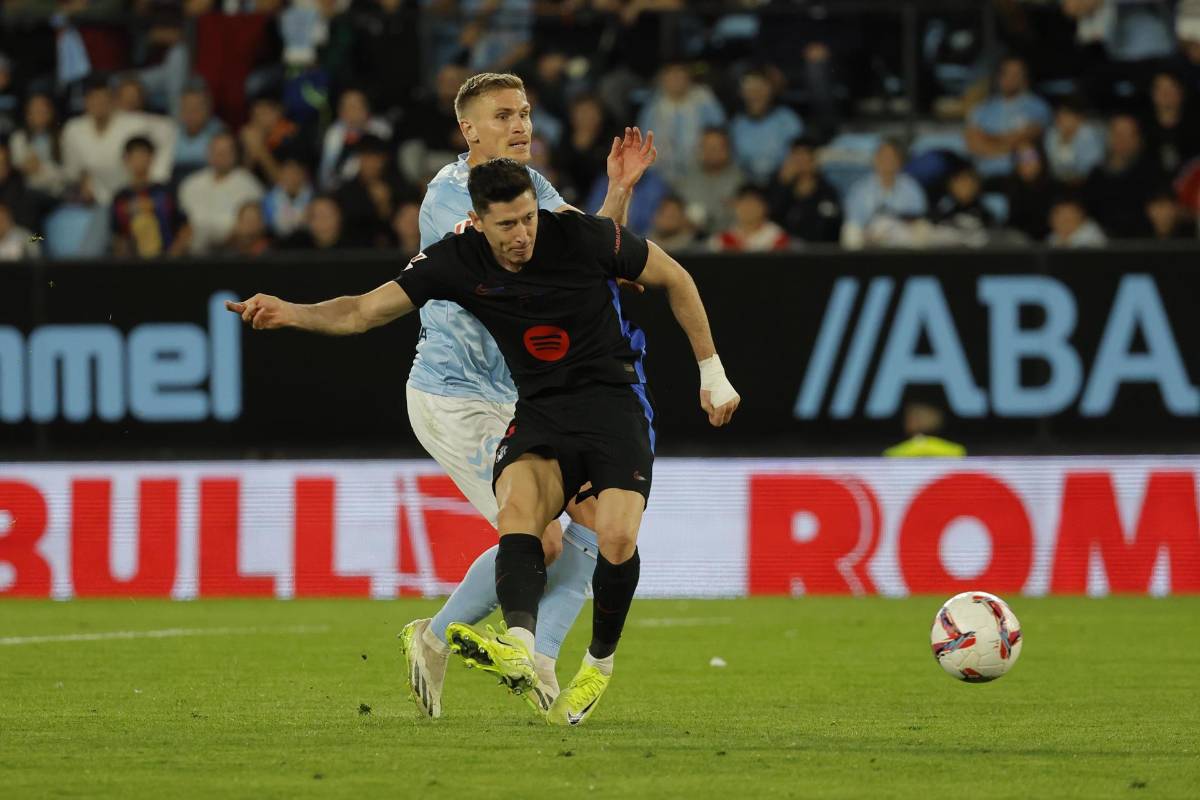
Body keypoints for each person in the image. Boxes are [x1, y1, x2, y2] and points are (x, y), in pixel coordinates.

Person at [225, 157, 741, 727]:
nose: (521, 235)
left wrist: (712, 373)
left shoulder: (580, 234)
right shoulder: (454, 258)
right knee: (521, 514)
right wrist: (291, 312)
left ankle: (599, 662)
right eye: (506, 226)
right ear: (477, 221)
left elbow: (676, 278)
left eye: (527, 220)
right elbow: (364, 312)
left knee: (614, 535)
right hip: (540, 410)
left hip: (613, 402)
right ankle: (522, 648)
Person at [394, 72, 655, 720]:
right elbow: (530, 266)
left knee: (596, 521)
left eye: (527, 113)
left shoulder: (532, 189)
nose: (521, 126)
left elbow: (587, 248)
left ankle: (541, 657)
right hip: (455, 394)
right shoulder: (451, 198)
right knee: (542, 537)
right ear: (470, 130)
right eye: (505, 115)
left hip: (522, 394)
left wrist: (618, 193)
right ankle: (431, 635)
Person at [965, 56, 1052, 180]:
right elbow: (973, 144)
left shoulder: (1038, 107)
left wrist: (988, 138)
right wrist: (1009, 144)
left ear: (1025, 77)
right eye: (1006, 73)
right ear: (998, 77)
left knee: (1026, 150)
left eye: (1016, 74)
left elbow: (1026, 139)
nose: (1011, 78)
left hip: (1022, 176)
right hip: (984, 175)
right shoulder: (982, 109)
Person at [179, 132, 265, 254]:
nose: (220, 156)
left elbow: (254, 227)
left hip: (235, 252)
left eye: (225, 152)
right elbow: (184, 224)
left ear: (235, 155)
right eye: (216, 151)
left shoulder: (249, 184)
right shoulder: (190, 184)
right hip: (194, 254)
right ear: (208, 153)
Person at [110, 136, 190, 258]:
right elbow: (118, 236)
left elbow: (185, 227)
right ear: (126, 159)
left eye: (143, 156)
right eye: (134, 156)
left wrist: (173, 255)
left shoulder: (166, 192)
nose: (139, 161)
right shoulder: (120, 198)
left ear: (151, 158)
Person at [729, 68, 804, 185]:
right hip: (748, 185)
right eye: (750, 89)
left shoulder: (787, 119)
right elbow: (734, 162)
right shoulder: (737, 124)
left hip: (784, 183)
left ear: (770, 90)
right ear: (742, 93)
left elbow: (800, 153)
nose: (755, 93)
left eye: (760, 88)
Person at [767, 138, 843, 244]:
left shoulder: (827, 190)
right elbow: (770, 219)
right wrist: (783, 186)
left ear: (814, 160)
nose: (801, 163)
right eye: (797, 158)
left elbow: (833, 225)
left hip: (818, 250)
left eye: (805, 157)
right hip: (784, 250)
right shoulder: (779, 186)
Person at [708, 184, 791, 252]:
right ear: (735, 206)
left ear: (765, 207)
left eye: (753, 204)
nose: (748, 208)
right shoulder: (720, 241)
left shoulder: (777, 238)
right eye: (743, 203)